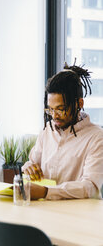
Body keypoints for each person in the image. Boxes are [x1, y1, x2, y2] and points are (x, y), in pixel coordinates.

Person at [22, 63, 103, 200]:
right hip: (46, 210)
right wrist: (28, 168)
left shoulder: (96, 137)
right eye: (50, 109)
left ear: (79, 104)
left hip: (79, 215)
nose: (54, 116)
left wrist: (46, 192)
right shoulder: (47, 130)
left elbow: (90, 187)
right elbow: (31, 163)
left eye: (60, 109)